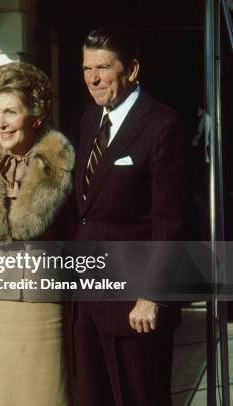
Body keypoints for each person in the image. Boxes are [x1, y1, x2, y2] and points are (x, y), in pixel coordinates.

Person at [73, 26, 188, 406]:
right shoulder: (90, 120)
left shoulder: (161, 124)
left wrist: (152, 295)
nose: (93, 78)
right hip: (88, 300)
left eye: (103, 67)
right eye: (87, 68)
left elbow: (170, 221)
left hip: (136, 307)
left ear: (133, 70)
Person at [0, 62, 74, 405]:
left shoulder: (62, 165)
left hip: (41, 308)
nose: (0, 122)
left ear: (35, 113)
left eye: (10, 111)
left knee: (43, 394)